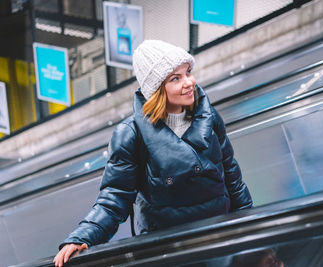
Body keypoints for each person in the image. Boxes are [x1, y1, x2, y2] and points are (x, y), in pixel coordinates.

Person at [53, 40, 253, 267]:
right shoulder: (132, 135)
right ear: (156, 89)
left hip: (219, 239)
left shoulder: (209, 117)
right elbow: (115, 197)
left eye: (188, 72)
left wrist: (254, 230)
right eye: (175, 78)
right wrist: (83, 236)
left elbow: (232, 178)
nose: (189, 83)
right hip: (170, 251)